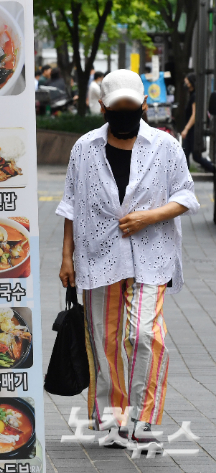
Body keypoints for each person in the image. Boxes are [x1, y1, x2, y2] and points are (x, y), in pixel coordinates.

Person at [57, 69, 199, 453]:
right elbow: (71, 205)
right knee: (104, 341)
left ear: (143, 105)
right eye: (116, 106)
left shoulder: (165, 146)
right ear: (102, 106)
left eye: (130, 106)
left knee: (143, 335)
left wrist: (147, 217)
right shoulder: (85, 148)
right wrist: (66, 256)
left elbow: (185, 195)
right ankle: (112, 418)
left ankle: (145, 418)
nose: (123, 112)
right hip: (97, 256)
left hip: (151, 255)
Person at [181, 73, 215, 172]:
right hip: (192, 130)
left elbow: (194, 115)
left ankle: (184, 177)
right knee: (193, 156)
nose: (185, 83)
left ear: (191, 82)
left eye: (186, 81)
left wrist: (186, 129)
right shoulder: (192, 95)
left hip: (192, 131)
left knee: (188, 154)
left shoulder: (194, 96)